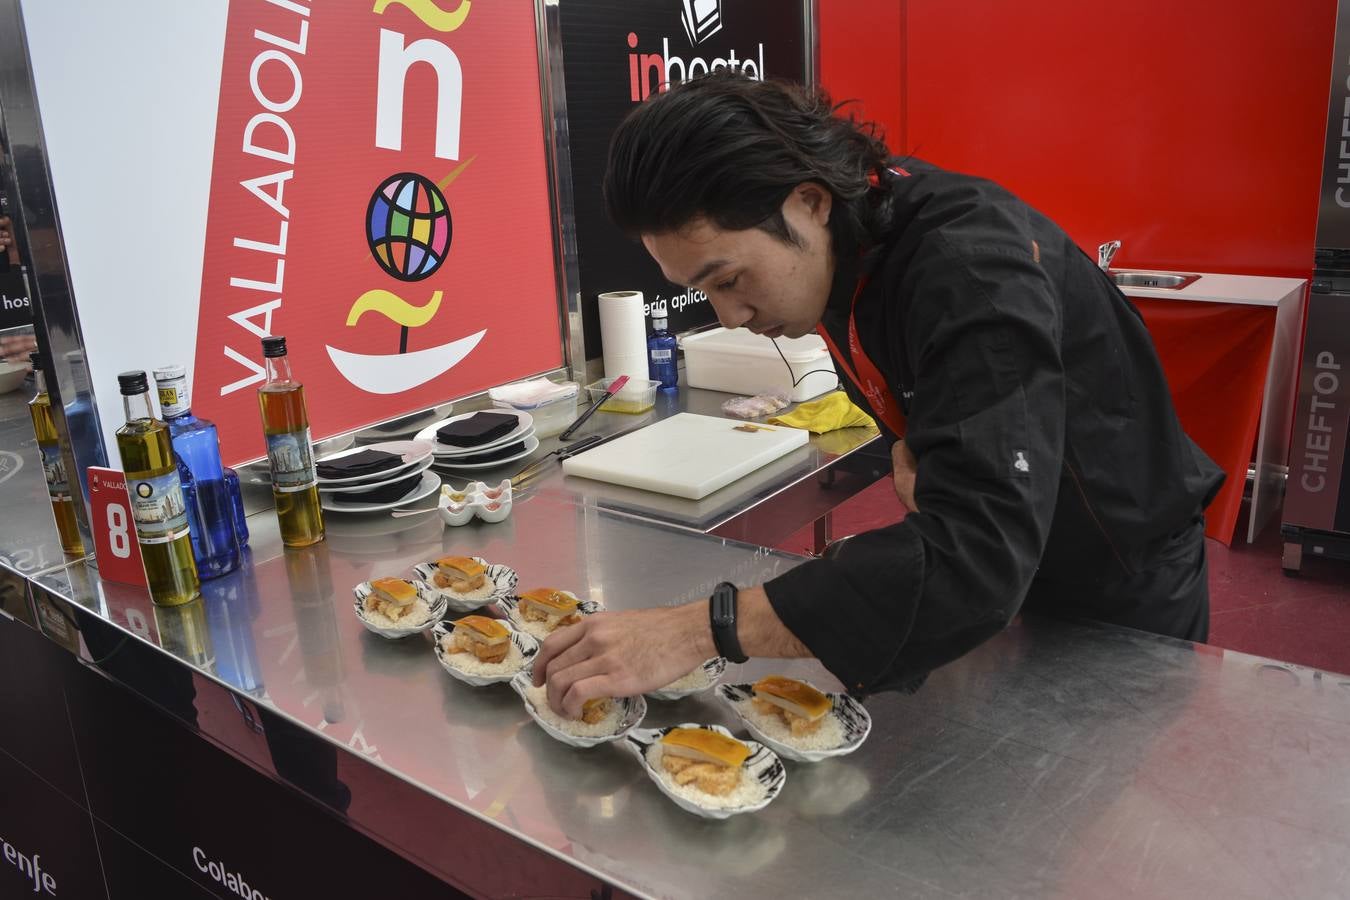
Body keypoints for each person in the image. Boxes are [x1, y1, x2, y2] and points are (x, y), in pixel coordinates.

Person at [531, 72, 1223, 716]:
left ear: (807, 201)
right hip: (1021, 572)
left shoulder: (969, 270)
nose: (730, 317)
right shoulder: (851, 241)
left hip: (1119, 578)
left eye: (731, 279)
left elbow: (975, 555)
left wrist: (698, 630)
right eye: (705, 291)